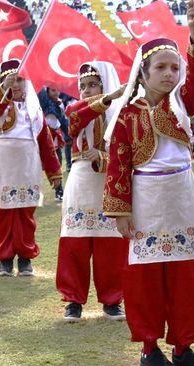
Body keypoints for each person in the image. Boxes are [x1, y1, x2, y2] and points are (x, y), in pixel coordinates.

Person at [103, 0, 194, 366]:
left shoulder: (183, 103)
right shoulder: (126, 115)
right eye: (161, 68)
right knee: (146, 275)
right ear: (144, 73)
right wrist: (120, 211)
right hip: (145, 199)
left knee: (185, 271)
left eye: (174, 68)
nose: (169, 74)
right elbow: (117, 164)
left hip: (181, 197)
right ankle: (150, 348)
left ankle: (183, 345)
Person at [57, 62, 128, 322]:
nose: (86, 91)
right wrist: (107, 97)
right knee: (75, 239)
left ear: (104, 83)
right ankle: (73, 300)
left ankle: (112, 300)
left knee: (109, 242)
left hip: (108, 181)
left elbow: (125, 152)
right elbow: (74, 118)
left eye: (92, 85)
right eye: (82, 86)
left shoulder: (120, 115)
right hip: (81, 177)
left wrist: (104, 156)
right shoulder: (76, 109)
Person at [0, 59, 62, 276]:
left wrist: (54, 171)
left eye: (19, 79)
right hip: (2, 163)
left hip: (27, 163)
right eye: (10, 80)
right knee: (4, 212)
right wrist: (3, 88)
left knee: (26, 211)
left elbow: (46, 142)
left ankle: (26, 256)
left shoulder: (34, 111)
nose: (15, 84)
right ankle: (5, 258)